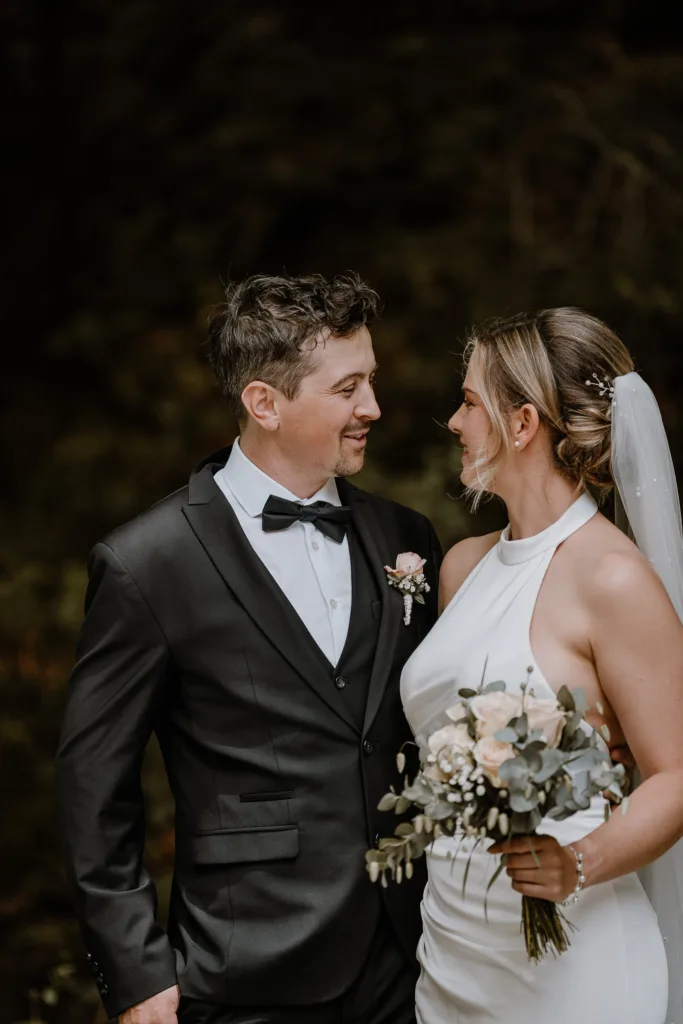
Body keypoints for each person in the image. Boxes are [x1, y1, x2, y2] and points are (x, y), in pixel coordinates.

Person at [55, 273, 442, 1024]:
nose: (373, 407)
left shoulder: (406, 536)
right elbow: (93, 785)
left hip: (412, 955)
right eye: (348, 388)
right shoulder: (148, 562)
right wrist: (136, 973)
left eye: (371, 381)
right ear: (264, 403)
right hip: (246, 968)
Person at [400, 308, 683, 1023]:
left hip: (576, 963)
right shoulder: (462, 567)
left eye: (469, 403)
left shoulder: (611, 578)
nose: (454, 422)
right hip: (454, 952)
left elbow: (676, 776)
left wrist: (577, 862)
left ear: (522, 423)